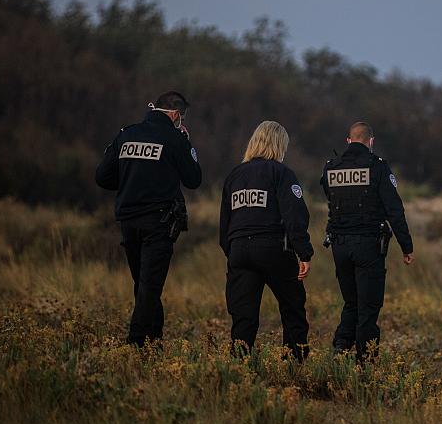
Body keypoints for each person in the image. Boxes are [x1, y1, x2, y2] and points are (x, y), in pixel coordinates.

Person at [95, 91, 202, 347]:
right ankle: (136, 344)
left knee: (143, 285)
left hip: (128, 222)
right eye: (182, 117)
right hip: (158, 223)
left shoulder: (126, 134)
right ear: (176, 114)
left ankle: (154, 341)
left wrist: (133, 179)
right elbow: (194, 179)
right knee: (149, 287)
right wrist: (186, 145)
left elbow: (103, 177)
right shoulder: (175, 138)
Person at [219, 121, 313, 361]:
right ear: (279, 144)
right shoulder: (281, 173)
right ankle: (293, 365)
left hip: (239, 249)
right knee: (293, 310)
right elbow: (295, 216)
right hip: (273, 249)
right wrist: (304, 253)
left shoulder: (234, 175)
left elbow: (225, 223)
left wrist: (232, 251)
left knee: (244, 316)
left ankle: (239, 367)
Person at [321, 122, 414, 361]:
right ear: (371, 142)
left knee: (351, 303)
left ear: (348, 141)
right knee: (368, 307)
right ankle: (366, 363)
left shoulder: (331, 168)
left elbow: (331, 200)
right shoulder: (378, 166)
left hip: (339, 246)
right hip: (368, 246)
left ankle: (340, 351)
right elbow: (395, 210)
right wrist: (407, 246)